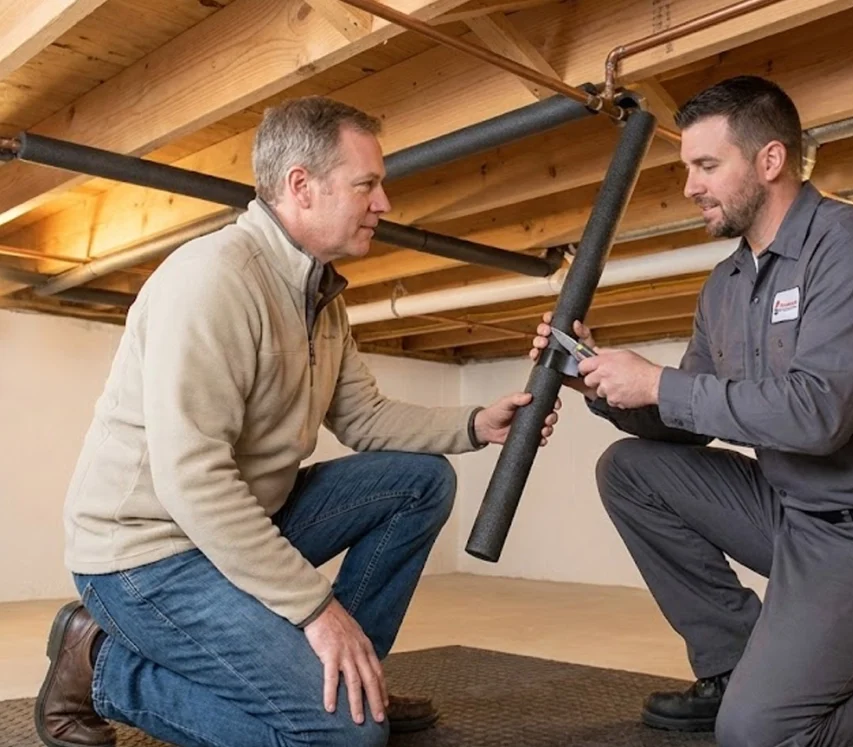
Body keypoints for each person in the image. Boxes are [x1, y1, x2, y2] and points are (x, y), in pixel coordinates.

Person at [36, 96, 560, 747]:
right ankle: (101, 666)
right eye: (367, 184)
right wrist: (315, 608)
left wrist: (478, 421)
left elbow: (364, 416)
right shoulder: (214, 281)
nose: (385, 203)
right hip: (145, 554)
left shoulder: (320, 297)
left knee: (420, 481)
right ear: (300, 187)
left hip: (232, 525)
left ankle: (348, 672)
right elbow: (192, 479)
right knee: (346, 736)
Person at [532, 75, 853, 747]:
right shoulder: (728, 285)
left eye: (707, 166)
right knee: (630, 468)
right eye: (687, 168)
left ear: (770, 160)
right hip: (798, 519)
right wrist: (601, 381)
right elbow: (690, 416)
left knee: (762, 736)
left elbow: (819, 416)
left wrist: (656, 381)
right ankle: (734, 665)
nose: (690, 187)